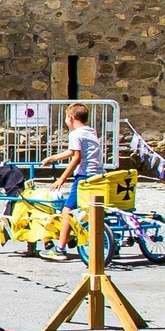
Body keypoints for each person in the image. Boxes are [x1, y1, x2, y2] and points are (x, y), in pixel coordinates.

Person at [50, 103, 105, 254]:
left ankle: (60, 248)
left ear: (71, 118)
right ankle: (71, 236)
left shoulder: (75, 134)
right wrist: (54, 158)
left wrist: (61, 179)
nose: (66, 122)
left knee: (67, 210)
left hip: (84, 176)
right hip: (98, 174)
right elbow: (73, 151)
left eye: (66, 119)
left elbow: (76, 158)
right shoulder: (90, 131)